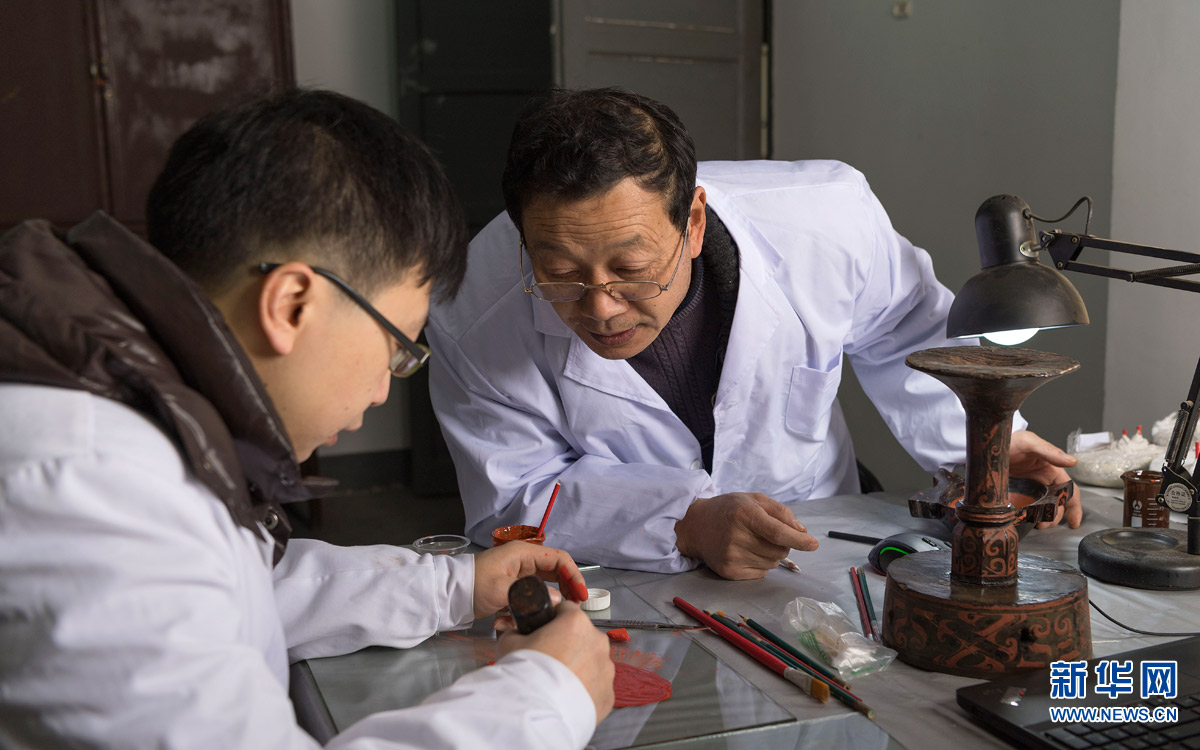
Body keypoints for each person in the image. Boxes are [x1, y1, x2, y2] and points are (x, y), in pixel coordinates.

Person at [0, 88, 613, 748]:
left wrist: (454, 586)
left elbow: (232, 592)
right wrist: (547, 694)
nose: (381, 392)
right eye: (396, 347)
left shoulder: (133, 420)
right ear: (291, 304)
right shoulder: (90, 488)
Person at [426, 87, 1083, 581]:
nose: (600, 307)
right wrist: (682, 522)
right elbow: (511, 493)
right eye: (562, 273)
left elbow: (908, 335)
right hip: (615, 570)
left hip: (815, 538)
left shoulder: (825, 222)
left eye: (630, 269)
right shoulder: (471, 304)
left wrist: (981, 450)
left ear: (692, 222)